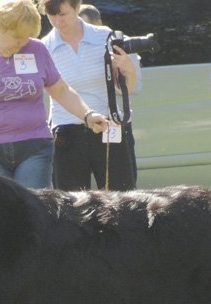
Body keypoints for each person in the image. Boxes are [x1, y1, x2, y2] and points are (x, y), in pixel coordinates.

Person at [0, 0, 107, 189]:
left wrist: (87, 114)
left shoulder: (36, 49)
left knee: (34, 212)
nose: (23, 43)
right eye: (17, 37)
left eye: (28, 36)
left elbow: (60, 89)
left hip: (34, 148)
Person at [39, 0, 141, 191]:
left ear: (77, 8)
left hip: (108, 127)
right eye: (52, 15)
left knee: (121, 200)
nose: (58, 21)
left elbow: (125, 89)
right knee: (71, 207)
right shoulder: (44, 47)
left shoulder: (104, 36)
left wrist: (127, 66)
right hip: (66, 132)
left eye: (63, 14)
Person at [78, 2, 139, 186]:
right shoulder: (68, 48)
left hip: (115, 125)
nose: (83, 34)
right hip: (80, 128)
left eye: (86, 27)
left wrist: (124, 66)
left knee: (123, 194)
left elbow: (131, 88)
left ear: (100, 23)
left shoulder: (120, 45)